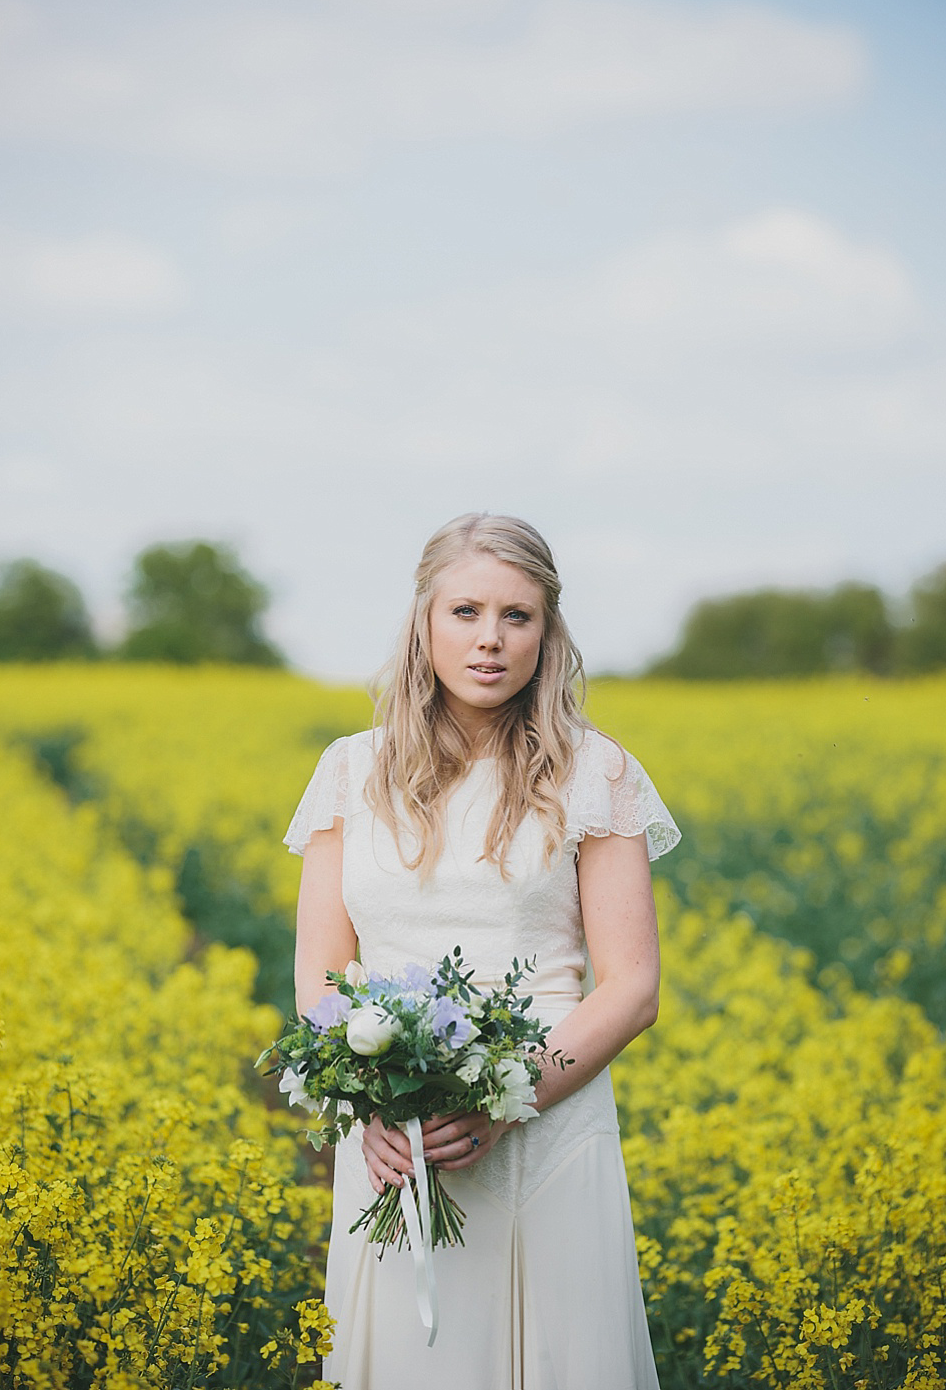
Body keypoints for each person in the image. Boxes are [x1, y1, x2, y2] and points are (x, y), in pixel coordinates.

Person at [285, 512, 680, 1390]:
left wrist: (511, 1100)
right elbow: (319, 974)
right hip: (391, 1138)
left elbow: (634, 984)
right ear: (424, 621)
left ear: (549, 631)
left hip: (549, 1121)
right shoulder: (351, 770)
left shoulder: (596, 771)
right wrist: (371, 1108)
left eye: (518, 615)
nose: (491, 640)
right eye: (465, 611)